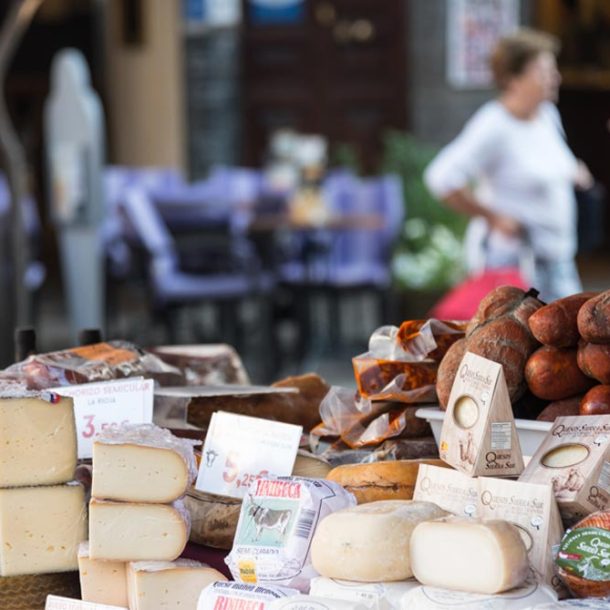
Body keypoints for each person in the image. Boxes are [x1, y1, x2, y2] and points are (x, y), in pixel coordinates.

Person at [424, 28, 592, 302]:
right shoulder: (494, 124)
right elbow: (441, 177)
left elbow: (547, 162)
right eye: (543, 72)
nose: (556, 78)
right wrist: (493, 217)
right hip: (517, 266)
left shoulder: (546, 115)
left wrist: (573, 171)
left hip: (558, 260)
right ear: (513, 79)